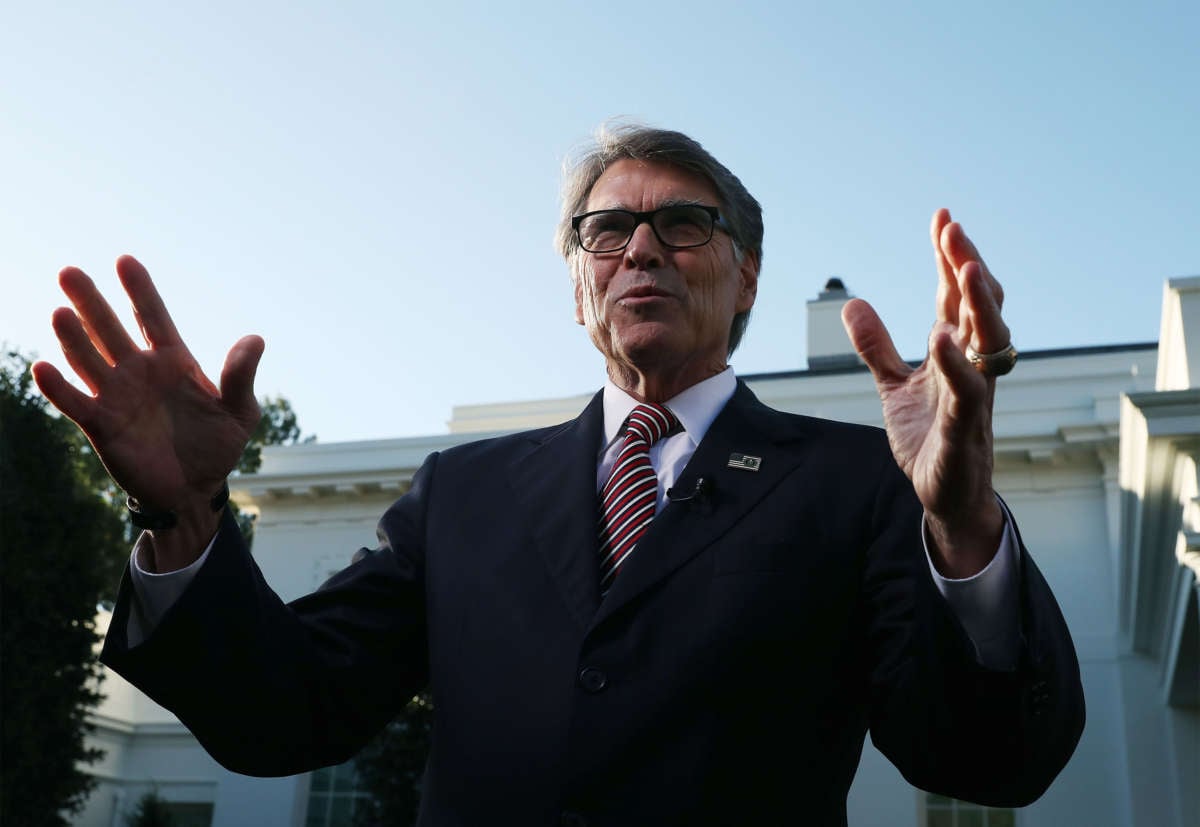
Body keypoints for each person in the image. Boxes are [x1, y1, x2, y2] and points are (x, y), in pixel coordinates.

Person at [33, 125, 1083, 826]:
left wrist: (962, 526)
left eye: (683, 222)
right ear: (579, 282)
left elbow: (986, 757)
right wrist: (181, 509)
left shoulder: (858, 481)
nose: (642, 249)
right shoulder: (461, 494)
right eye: (607, 229)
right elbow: (286, 711)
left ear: (746, 272)